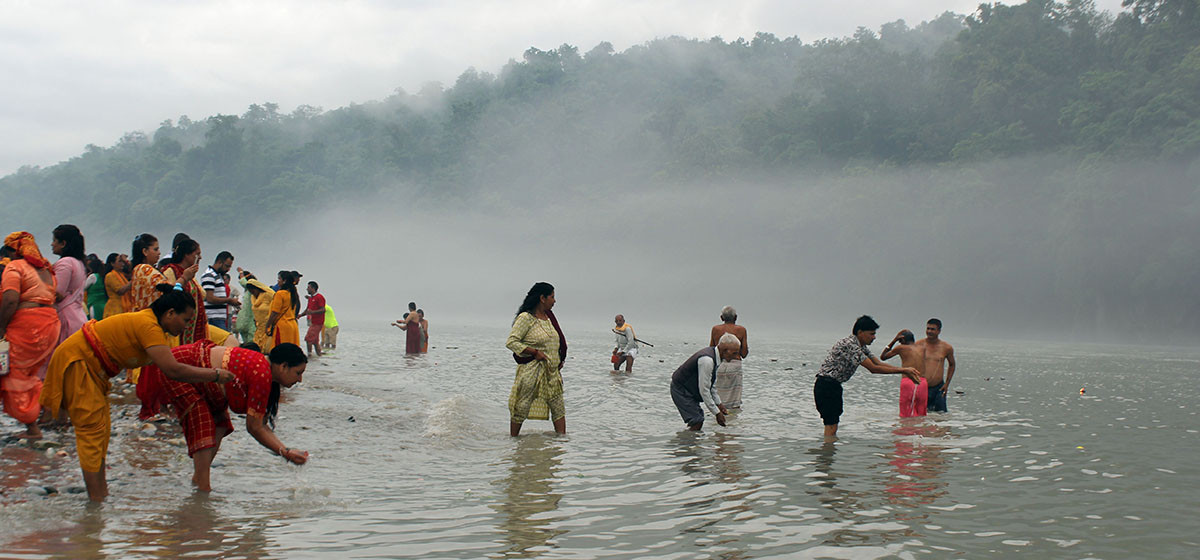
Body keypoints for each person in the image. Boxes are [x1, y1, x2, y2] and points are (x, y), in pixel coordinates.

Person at [40, 285, 236, 502]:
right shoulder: (148, 326)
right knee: (92, 432)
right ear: (170, 313)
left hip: (93, 371)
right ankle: (96, 502)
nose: (186, 326)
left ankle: (100, 495)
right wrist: (215, 375)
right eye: (186, 320)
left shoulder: (154, 327)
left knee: (101, 431)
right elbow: (172, 369)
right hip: (79, 363)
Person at [137, 341, 309, 492]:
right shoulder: (262, 373)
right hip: (183, 368)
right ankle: (202, 488)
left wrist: (285, 450)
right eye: (298, 373)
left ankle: (199, 481)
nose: (300, 380)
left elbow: (261, 425)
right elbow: (254, 427)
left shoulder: (265, 372)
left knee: (220, 424)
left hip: (202, 377)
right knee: (204, 423)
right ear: (283, 366)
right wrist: (285, 453)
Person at [814, 315, 921, 439]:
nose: (874, 337)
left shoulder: (861, 346)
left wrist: (905, 370)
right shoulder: (850, 345)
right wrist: (904, 370)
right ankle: (826, 455)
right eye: (871, 334)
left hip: (833, 385)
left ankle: (828, 453)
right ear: (860, 332)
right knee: (831, 425)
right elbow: (873, 369)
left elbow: (879, 363)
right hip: (826, 385)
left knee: (833, 424)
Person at [0, 232, 61, 439]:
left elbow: (10, 300)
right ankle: (46, 411)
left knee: (13, 373)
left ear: (13, 250)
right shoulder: (46, 270)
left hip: (27, 326)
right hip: (49, 324)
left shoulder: (15, 267)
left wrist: (0, 328)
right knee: (28, 373)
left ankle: (33, 427)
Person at [505, 283, 566, 436]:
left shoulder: (550, 318)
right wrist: (534, 352)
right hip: (531, 372)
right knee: (521, 407)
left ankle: (560, 447)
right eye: (552, 297)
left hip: (551, 374)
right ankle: (514, 445)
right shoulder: (526, 318)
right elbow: (511, 342)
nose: (555, 301)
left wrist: (559, 360)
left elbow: (557, 343)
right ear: (542, 298)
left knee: (558, 409)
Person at [670, 333, 742, 431]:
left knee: (697, 418)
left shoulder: (717, 357)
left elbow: (712, 385)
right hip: (681, 389)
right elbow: (704, 390)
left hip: (689, 389)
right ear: (724, 350)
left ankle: (688, 441)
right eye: (734, 353)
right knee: (697, 420)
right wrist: (716, 413)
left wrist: (719, 404)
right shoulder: (707, 360)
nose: (736, 356)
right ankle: (686, 443)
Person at [161, 239, 207, 345]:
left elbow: (203, 294)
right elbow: (170, 294)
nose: (200, 258)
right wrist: (184, 278)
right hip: (179, 328)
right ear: (186, 255)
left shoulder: (190, 275)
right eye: (197, 254)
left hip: (195, 328)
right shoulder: (170, 271)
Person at [50, 225, 89, 347]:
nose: (52, 244)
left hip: (66, 317)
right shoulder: (78, 262)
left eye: (54, 240)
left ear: (63, 243)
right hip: (77, 315)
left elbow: (57, 293)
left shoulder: (65, 263)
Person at [880, 330, 928, 417]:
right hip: (923, 383)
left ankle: (904, 430)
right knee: (921, 413)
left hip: (909, 381)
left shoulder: (901, 348)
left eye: (899, 341)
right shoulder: (923, 348)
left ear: (903, 340)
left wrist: (893, 341)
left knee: (905, 414)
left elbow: (883, 357)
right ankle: (920, 430)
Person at [709, 306, 749, 408]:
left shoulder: (715, 329)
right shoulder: (741, 330)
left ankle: (717, 419)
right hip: (735, 366)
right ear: (735, 317)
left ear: (722, 318)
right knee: (734, 400)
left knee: (717, 396)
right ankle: (733, 422)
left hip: (719, 365)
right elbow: (744, 353)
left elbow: (712, 350)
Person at [914, 319, 956, 413]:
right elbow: (911, 363)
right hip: (921, 386)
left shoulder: (946, 348)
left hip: (939, 387)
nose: (929, 331)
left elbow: (952, 364)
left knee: (941, 416)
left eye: (933, 329)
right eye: (928, 328)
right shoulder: (918, 345)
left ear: (939, 331)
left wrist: (947, 384)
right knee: (920, 415)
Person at [129, 233, 170, 312]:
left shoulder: (138, 269)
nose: (159, 253)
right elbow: (167, 287)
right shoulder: (144, 269)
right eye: (155, 249)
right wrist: (184, 278)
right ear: (145, 251)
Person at [200, 251, 239, 331]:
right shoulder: (209, 275)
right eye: (227, 266)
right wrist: (229, 300)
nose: (228, 269)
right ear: (219, 262)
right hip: (213, 318)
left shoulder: (218, 276)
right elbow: (210, 298)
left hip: (219, 318)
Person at [264, 271, 300, 348]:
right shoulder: (293, 293)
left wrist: (268, 325)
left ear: (284, 281)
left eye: (279, 279)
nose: (278, 281)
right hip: (293, 325)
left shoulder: (280, 294)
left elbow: (275, 312)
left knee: (280, 351)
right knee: (292, 351)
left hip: (282, 327)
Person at [241, 273, 275, 352]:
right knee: (257, 347)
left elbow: (276, 307)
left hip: (269, 325)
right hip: (258, 327)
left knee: (268, 348)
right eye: (250, 291)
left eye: (253, 290)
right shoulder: (253, 298)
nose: (252, 293)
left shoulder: (268, 294)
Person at [296, 281, 325, 357]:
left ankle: (309, 356)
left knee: (308, 339)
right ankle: (319, 357)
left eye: (308, 287)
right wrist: (300, 315)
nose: (307, 289)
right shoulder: (311, 298)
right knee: (315, 342)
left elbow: (323, 309)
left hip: (318, 322)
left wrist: (313, 312)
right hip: (313, 322)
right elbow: (308, 310)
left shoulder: (319, 297)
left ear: (313, 288)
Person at [102, 253, 132, 318]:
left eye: (123, 262)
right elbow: (120, 290)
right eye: (120, 261)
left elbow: (132, 270)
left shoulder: (122, 275)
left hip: (124, 308)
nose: (122, 264)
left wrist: (126, 261)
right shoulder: (110, 276)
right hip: (115, 309)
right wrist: (132, 282)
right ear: (112, 263)